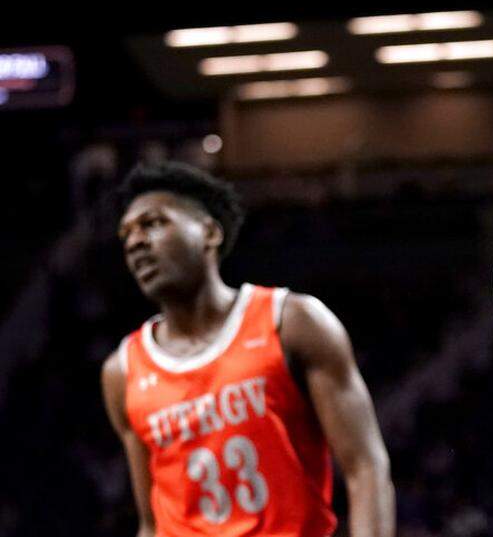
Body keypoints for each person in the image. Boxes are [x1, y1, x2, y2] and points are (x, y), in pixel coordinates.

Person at [101, 162, 395, 537]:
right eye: (126, 233)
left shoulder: (292, 322)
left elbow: (366, 467)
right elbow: (152, 522)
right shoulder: (122, 371)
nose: (135, 242)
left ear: (209, 233)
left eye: (153, 223)